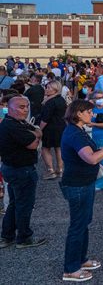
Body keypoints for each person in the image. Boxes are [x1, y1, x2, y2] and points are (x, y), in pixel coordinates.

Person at [60, 100, 103, 282]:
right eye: (89, 112)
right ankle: (71, 269)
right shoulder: (75, 134)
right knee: (78, 225)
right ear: (79, 113)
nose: (92, 114)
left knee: (83, 222)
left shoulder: (78, 131)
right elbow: (91, 158)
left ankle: (80, 260)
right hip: (77, 185)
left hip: (83, 183)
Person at [0, 96, 46, 249]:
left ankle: (7, 236)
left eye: (26, 106)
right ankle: (24, 238)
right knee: (24, 205)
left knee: (14, 203)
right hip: (21, 170)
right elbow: (33, 143)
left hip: (14, 168)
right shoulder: (12, 125)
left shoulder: (15, 123)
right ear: (11, 108)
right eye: (21, 107)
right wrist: (36, 134)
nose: (25, 110)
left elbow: (37, 133)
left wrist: (35, 133)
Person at [39, 81, 68, 179]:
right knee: (58, 148)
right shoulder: (61, 100)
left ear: (55, 89)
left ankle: (50, 170)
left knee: (45, 148)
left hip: (50, 128)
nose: (46, 89)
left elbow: (45, 119)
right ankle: (60, 170)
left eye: (48, 88)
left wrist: (39, 130)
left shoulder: (50, 102)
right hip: (61, 126)